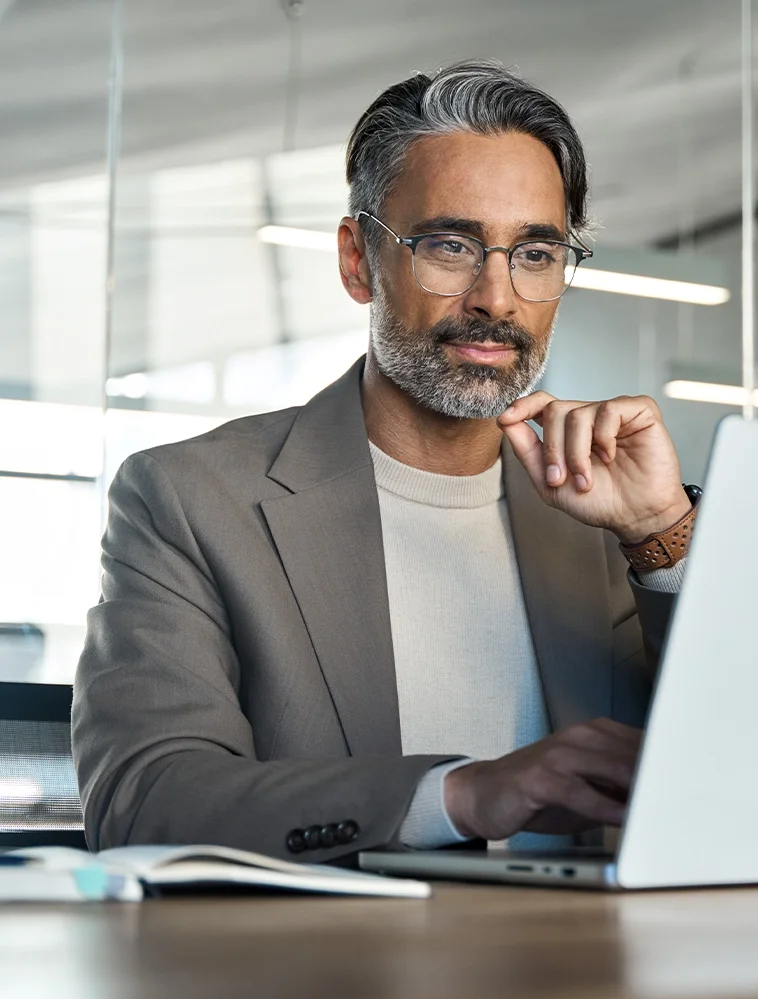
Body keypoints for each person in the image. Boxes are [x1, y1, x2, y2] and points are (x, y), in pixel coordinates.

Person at [72, 60, 700, 861]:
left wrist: (660, 535)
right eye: (450, 245)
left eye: (535, 254)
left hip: (597, 973)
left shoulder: (610, 522)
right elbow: (144, 801)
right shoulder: (191, 499)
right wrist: (464, 793)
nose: (497, 298)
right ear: (357, 260)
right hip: (337, 978)